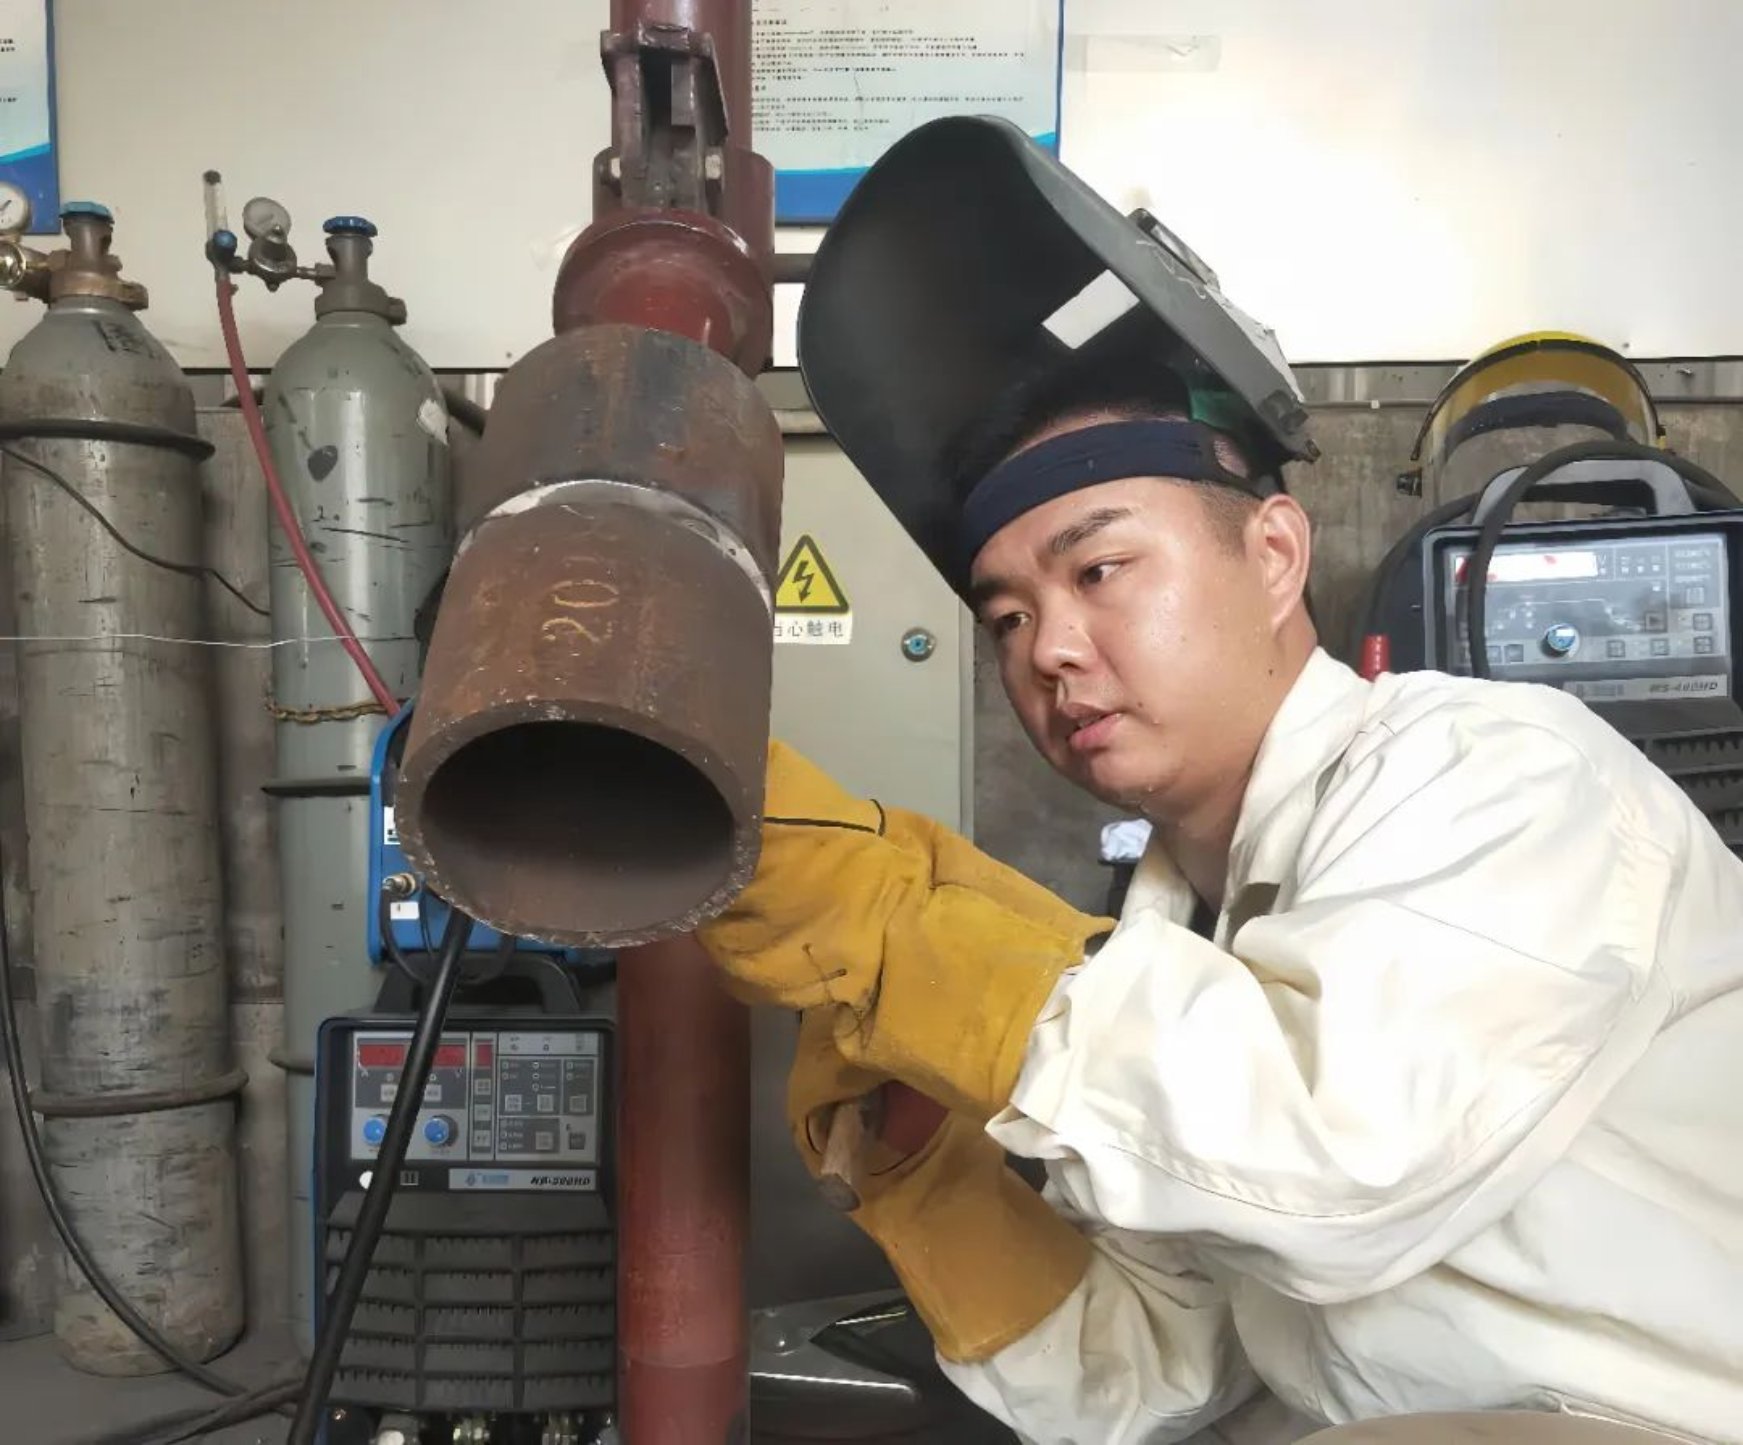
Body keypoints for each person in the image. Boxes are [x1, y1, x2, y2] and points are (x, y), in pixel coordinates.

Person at [699, 117, 1743, 1444]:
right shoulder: (1185, 935)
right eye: (1007, 616)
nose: (1049, 647)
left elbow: (1335, 1159)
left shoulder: (1497, 778)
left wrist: (913, 942)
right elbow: (1162, 1381)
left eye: (1098, 570)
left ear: (1275, 555)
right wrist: (932, 1180)